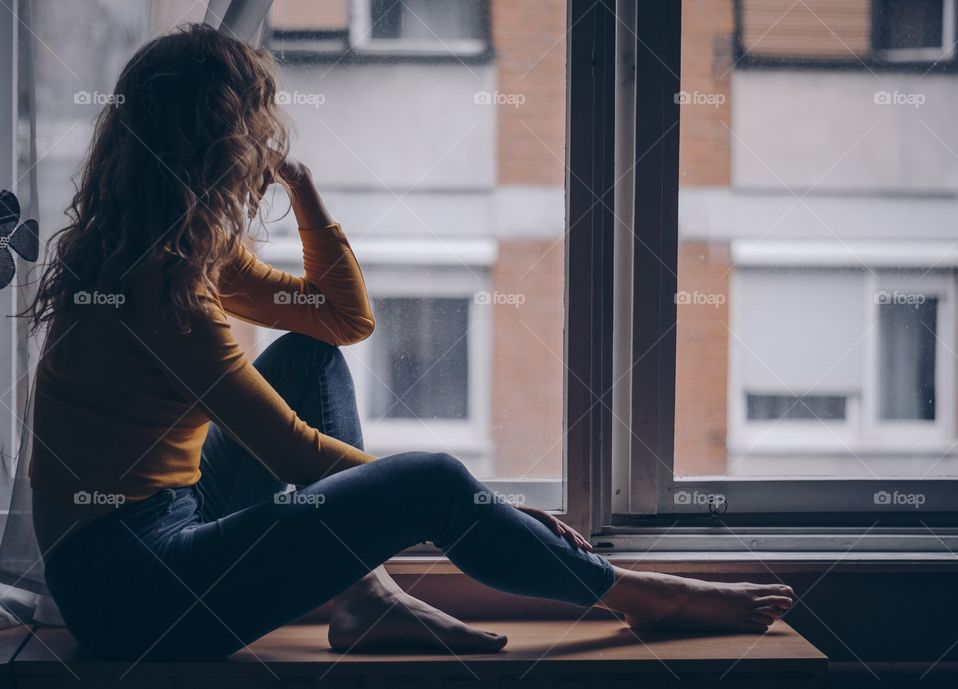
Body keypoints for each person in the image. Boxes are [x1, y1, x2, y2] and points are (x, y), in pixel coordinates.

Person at [24, 24, 794, 661]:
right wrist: (482, 502)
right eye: (255, 130)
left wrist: (303, 187)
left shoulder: (175, 249)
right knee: (429, 479)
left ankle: (368, 599)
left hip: (164, 521)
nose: (263, 144)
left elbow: (340, 319)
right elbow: (295, 455)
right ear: (220, 148)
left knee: (308, 359)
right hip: (132, 596)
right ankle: (642, 595)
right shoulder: (168, 294)